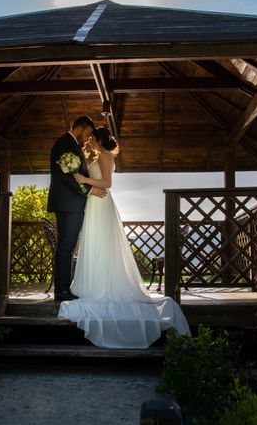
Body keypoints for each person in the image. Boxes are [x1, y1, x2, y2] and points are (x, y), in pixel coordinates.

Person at [58, 127, 191, 349]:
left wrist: (83, 179)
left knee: (102, 246)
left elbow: (107, 184)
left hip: (101, 205)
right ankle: (94, 284)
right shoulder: (100, 157)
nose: (89, 141)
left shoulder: (106, 157)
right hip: (95, 204)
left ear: (99, 139)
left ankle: (103, 286)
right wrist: (85, 182)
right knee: (95, 246)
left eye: (92, 138)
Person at [47, 116, 106, 302]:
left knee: (67, 246)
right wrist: (90, 191)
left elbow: (75, 174)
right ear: (80, 129)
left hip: (71, 204)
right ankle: (62, 291)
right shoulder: (64, 144)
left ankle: (64, 288)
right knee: (66, 246)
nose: (88, 139)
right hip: (67, 205)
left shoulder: (71, 145)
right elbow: (68, 176)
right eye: (88, 134)